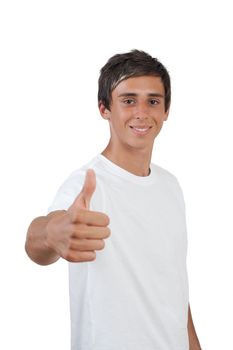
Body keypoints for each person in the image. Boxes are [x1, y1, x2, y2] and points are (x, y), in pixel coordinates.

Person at [25, 49, 202, 350]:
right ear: (104, 108)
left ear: (166, 111)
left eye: (153, 101)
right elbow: (37, 240)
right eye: (129, 100)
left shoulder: (171, 186)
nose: (142, 113)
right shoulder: (87, 184)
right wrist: (53, 234)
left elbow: (175, 290)